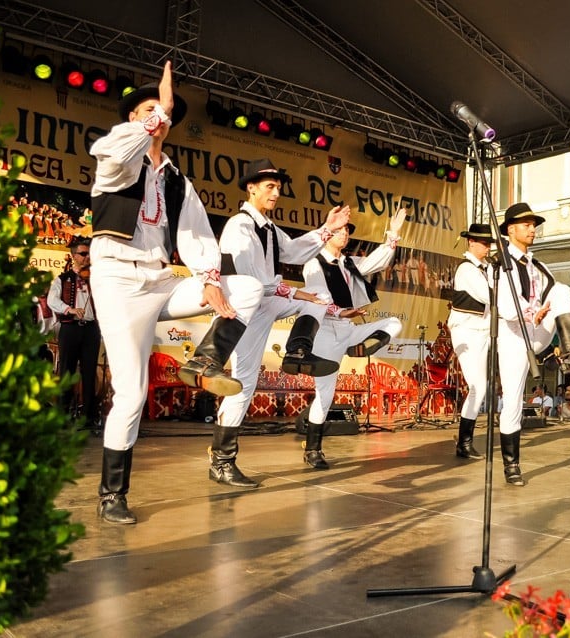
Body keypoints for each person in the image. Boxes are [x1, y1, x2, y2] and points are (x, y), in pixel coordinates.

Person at [88, 62, 264, 524]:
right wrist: (154, 114)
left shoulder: (176, 180)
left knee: (244, 287)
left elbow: (197, 236)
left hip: (161, 281)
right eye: (148, 111)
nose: (160, 118)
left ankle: (203, 361)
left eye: (163, 113)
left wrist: (209, 277)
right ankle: (112, 495)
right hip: (119, 281)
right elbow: (106, 149)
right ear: (133, 120)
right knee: (132, 393)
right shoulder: (116, 159)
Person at [213, 159, 350, 487]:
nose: (276, 193)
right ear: (252, 188)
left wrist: (327, 229)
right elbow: (251, 279)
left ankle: (298, 351)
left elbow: (293, 251)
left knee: (318, 292)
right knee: (243, 384)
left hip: (268, 300)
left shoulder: (270, 229)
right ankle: (222, 461)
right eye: (270, 187)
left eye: (278, 187)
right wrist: (293, 292)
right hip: (244, 309)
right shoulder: (239, 226)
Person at [495, 203, 570, 486]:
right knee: (513, 401)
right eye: (526, 225)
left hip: (537, 330)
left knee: (564, 289)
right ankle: (512, 465)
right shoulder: (502, 264)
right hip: (515, 336)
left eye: (533, 225)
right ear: (510, 230)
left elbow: (554, 292)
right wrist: (532, 313)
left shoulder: (538, 264)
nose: (532, 229)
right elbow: (505, 307)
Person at [301, 208, 407, 469]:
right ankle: (313, 449)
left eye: (347, 230)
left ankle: (359, 347)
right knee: (325, 393)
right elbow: (317, 297)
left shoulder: (349, 263)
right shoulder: (314, 263)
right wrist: (339, 310)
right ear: (327, 234)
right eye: (339, 230)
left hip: (349, 327)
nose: (345, 234)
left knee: (394, 322)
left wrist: (393, 233)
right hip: (327, 329)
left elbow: (377, 262)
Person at [447, 223, 493, 459]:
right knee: (477, 386)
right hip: (466, 330)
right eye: (483, 243)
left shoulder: (487, 268)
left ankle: (465, 442)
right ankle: (464, 443)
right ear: (471, 243)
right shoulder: (466, 269)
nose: (487, 247)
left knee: (480, 387)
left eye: (489, 244)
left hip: (482, 331)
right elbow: (488, 295)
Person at [47, 237, 101, 427]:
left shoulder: (96, 279)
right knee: (67, 371)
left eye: (89, 254)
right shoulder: (62, 279)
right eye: (83, 254)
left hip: (91, 329)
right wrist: (69, 309)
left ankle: (88, 416)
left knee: (89, 372)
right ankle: (63, 415)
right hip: (70, 328)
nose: (87, 258)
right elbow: (52, 300)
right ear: (73, 256)